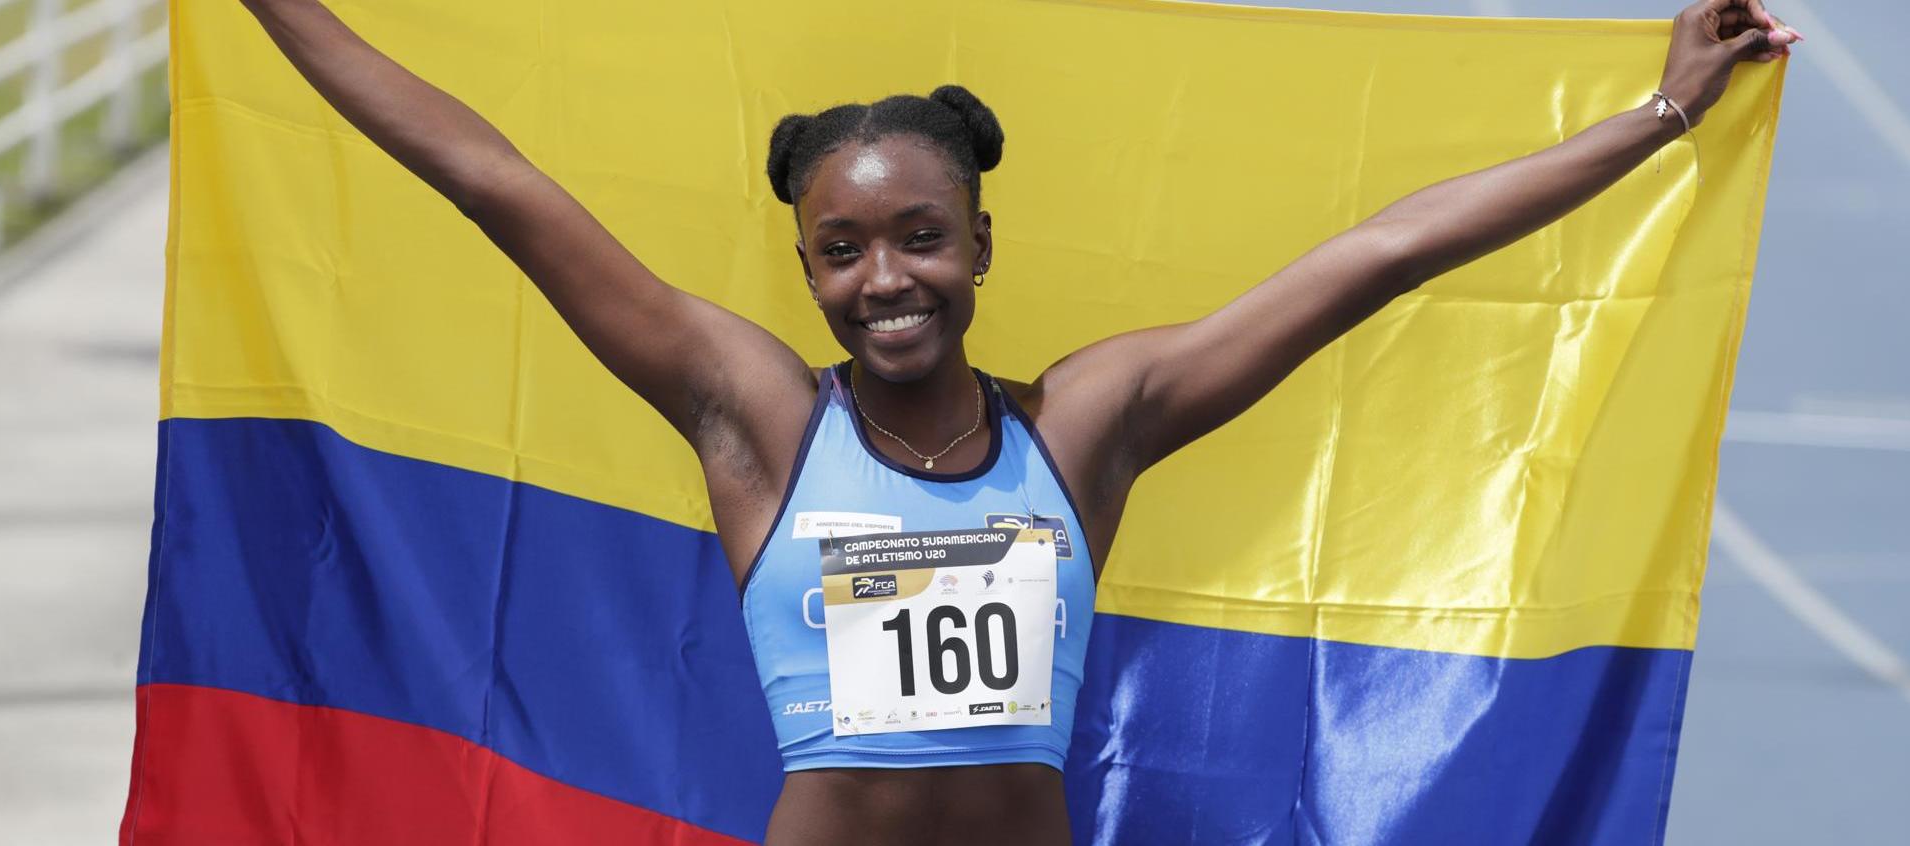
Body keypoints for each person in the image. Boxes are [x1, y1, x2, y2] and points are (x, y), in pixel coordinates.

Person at [236, 1, 1798, 843]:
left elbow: (1380, 255)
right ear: (803, 270)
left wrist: (1659, 114)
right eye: (840, 252)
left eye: (920, 235)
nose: (884, 279)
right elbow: (495, 182)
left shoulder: (1091, 423)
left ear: (981, 244)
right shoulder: (760, 422)